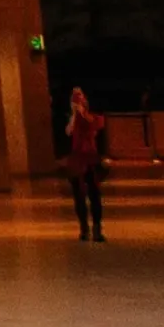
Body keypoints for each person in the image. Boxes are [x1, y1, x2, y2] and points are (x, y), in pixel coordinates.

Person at [57, 86, 112, 243]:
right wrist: (75, 115)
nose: (78, 99)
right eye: (74, 97)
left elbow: (96, 126)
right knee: (79, 196)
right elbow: (68, 132)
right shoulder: (71, 118)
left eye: (80, 96)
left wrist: (82, 112)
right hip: (76, 160)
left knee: (94, 194)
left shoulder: (93, 117)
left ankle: (96, 228)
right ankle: (84, 228)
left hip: (91, 159)